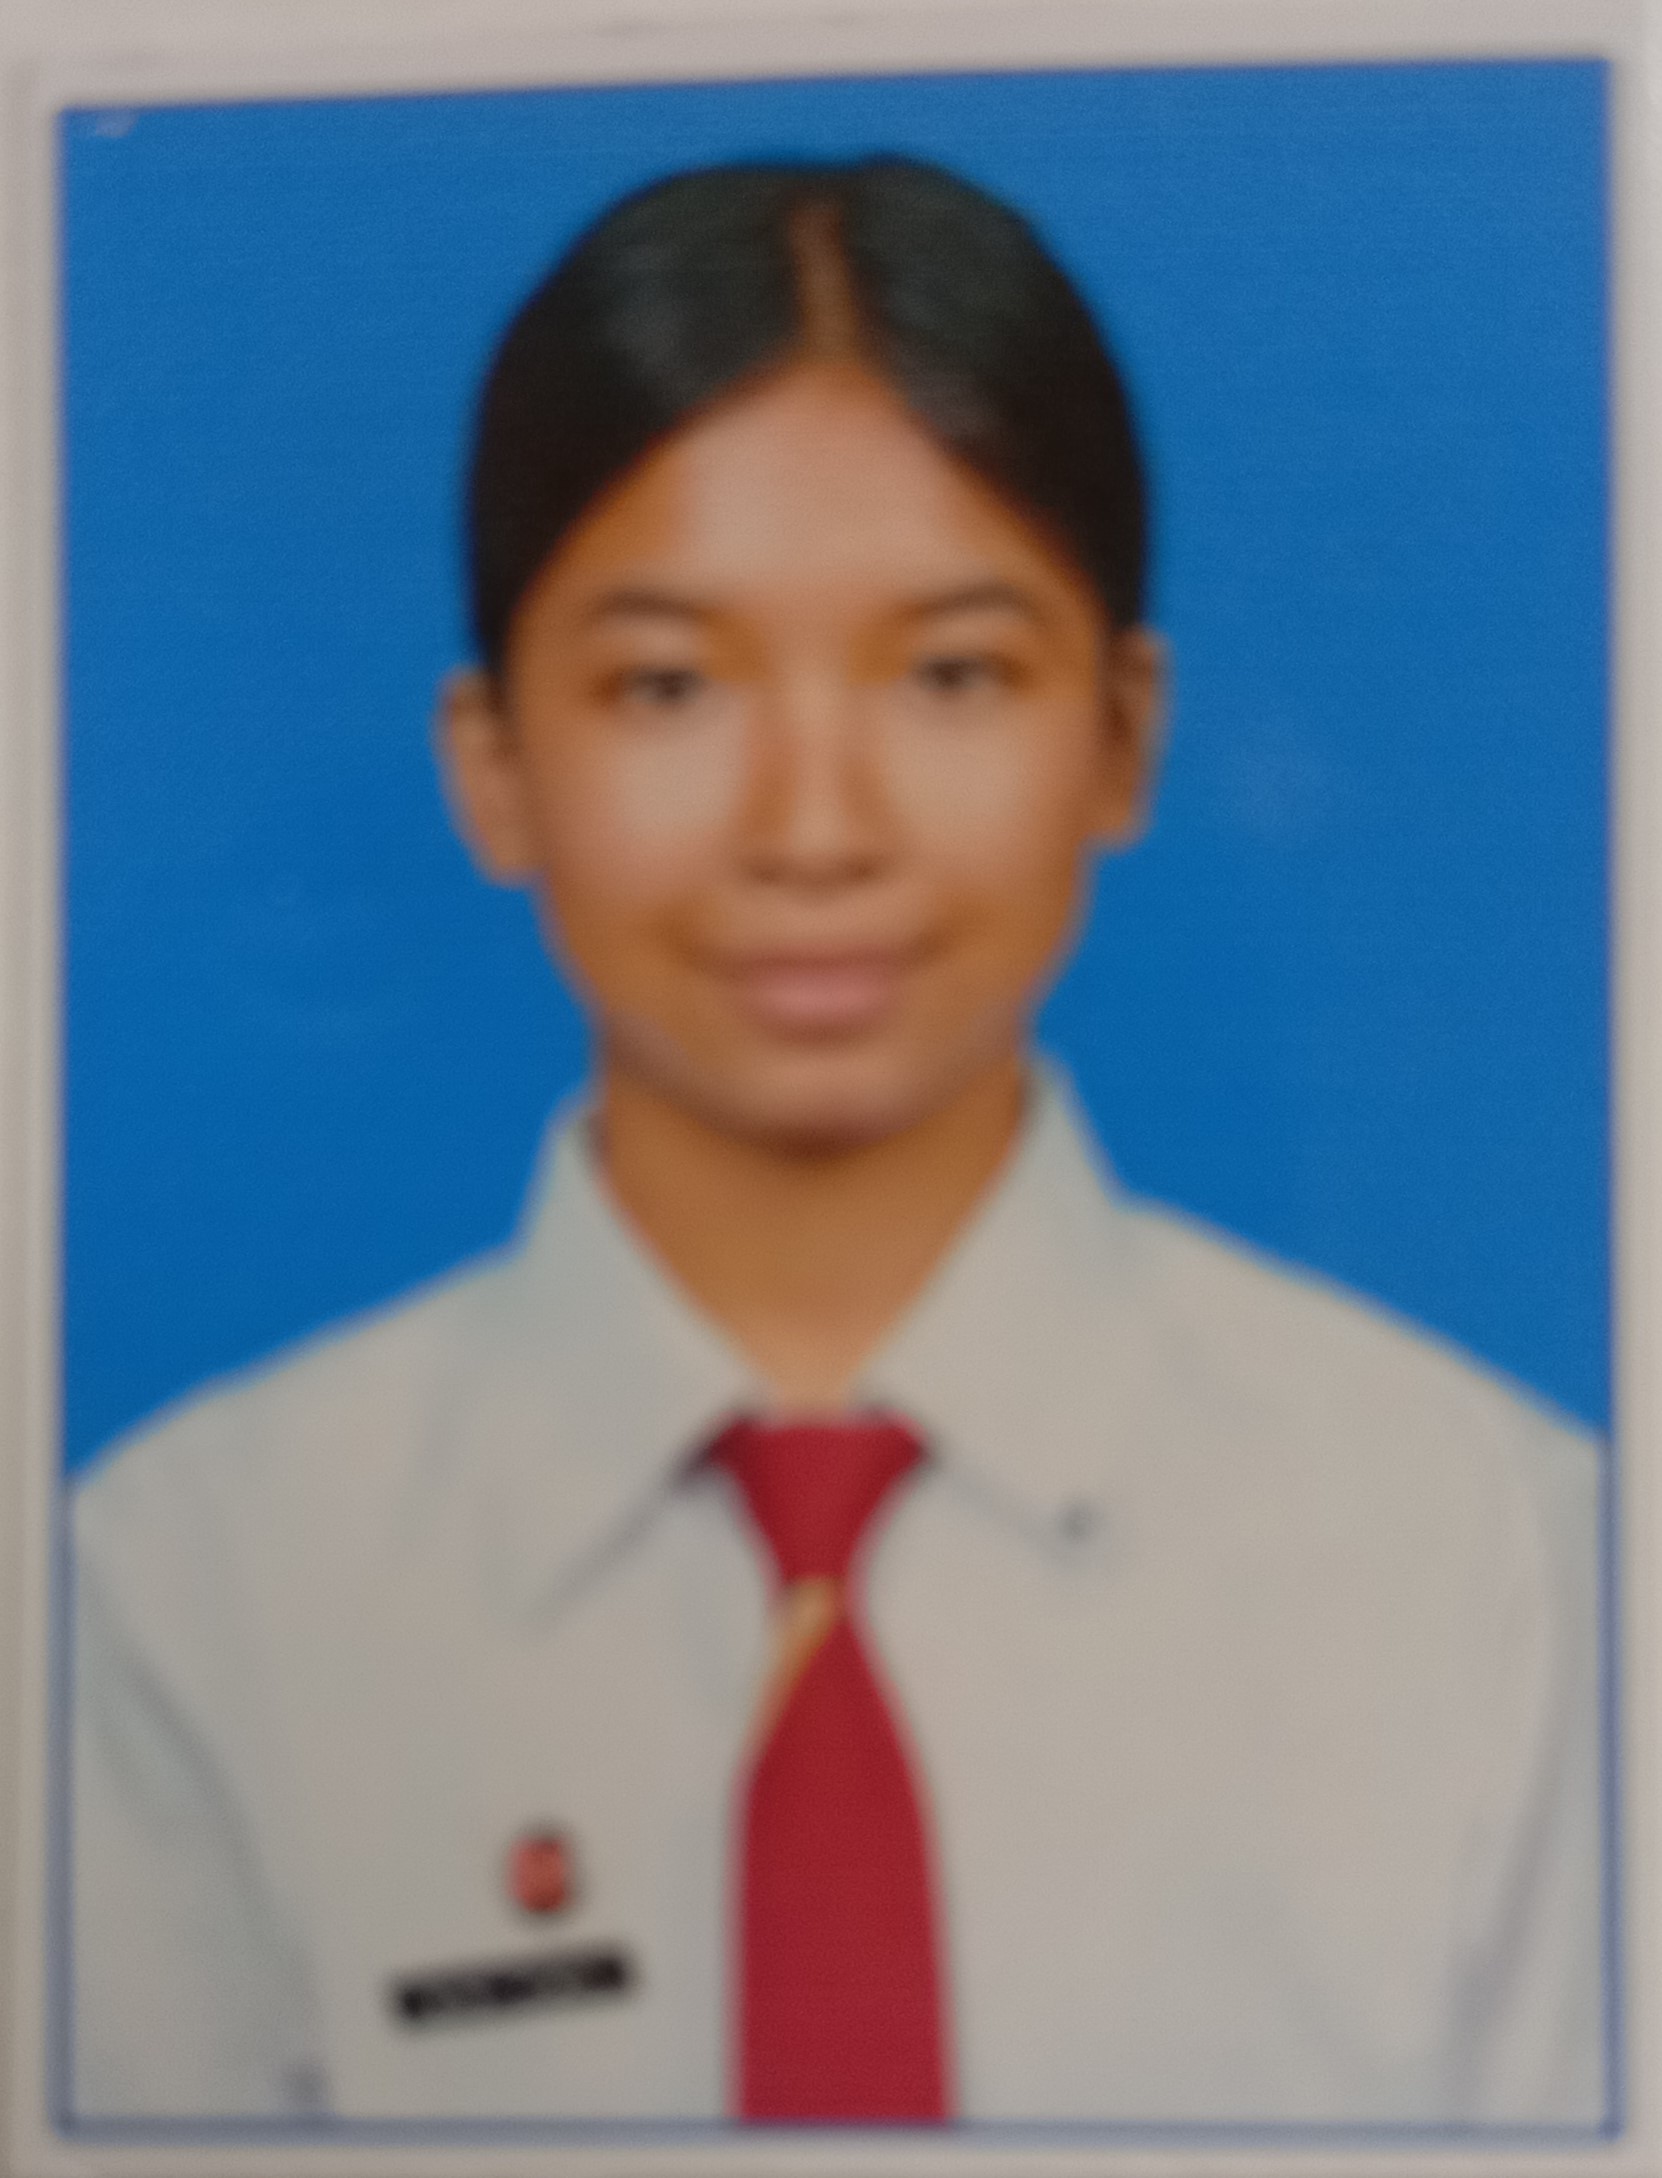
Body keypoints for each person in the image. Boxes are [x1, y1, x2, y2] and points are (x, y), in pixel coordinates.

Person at [69, 155, 1606, 2130]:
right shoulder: (183, 1605)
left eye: (953, 673)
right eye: (668, 685)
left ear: (1123, 737)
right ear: (494, 767)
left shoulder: (1498, 1572)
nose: (814, 828)